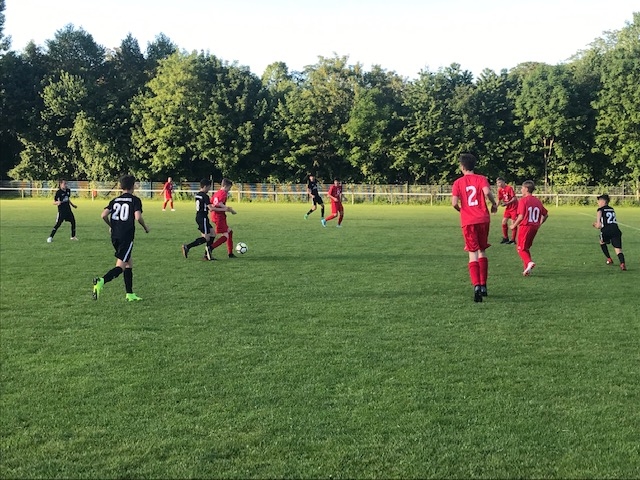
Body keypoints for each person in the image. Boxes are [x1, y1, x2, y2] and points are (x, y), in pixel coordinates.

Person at [92, 175, 150, 302]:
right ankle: (101, 281)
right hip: (126, 236)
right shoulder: (135, 200)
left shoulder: (115, 200)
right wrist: (145, 227)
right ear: (133, 186)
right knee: (121, 266)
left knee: (129, 262)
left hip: (115, 236)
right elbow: (138, 217)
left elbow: (103, 215)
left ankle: (130, 294)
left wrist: (111, 226)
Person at [451, 153, 498, 302]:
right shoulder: (481, 178)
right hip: (483, 218)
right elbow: (487, 192)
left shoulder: (458, 182)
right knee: (482, 250)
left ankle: (476, 285)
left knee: (472, 252)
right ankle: (484, 285)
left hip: (468, 220)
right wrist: (494, 204)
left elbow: (454, 203)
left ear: (462, 166)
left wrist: (462, 210)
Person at [510, 180, 548, 276]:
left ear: (526, 189)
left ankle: (529, 263)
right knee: (526, 248)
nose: (521, 190)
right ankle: (527, 270)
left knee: (520, 249)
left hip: (525, 226)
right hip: (534, 227)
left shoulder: (523, 200)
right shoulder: (537, 201)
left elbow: (521, 216)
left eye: (522, 188)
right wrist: (539, 223)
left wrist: (514, 225)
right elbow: (546, 214)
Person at [182, 179, 216, 261]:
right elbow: (211, 208)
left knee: (213, 233)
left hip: (199, 217)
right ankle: (187, 246)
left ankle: (207, 254)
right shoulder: (205, 196)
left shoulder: (197, 195)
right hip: (203, 217)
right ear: (205, 186)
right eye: (209, 187)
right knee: (206, 238)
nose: (209, 189)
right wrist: (222, 209)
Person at [593, 194, 626, 271]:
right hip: (616, 230)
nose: (598, 203)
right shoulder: (611, 209)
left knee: (602, 242)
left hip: (606, 230)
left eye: (599, 201)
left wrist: (594, 225)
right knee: (618, 249)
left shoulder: (600, 210)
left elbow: (599, 225)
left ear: (603, 201)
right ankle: (622, 263)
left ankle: (609, 259)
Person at [209, 178, 238, 258]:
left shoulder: (217, 193)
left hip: (216, 216)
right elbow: (218, 203)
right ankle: (210, 248)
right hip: (219, 217)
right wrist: (228, 209)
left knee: (229, 232)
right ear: (225, 186)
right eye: (229, 188)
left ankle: (230, 253)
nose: (229, 190)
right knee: (225, 236)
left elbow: (212, 202)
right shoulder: (223, 193)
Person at [496, 177, 518, 244]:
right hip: (508, 208)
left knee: (513, 223)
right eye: (497, 183)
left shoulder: (509, 188)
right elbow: (499, 199)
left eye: (499, 182)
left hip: (514, 208)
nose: (498, 184)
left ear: (503, 182)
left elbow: (514, 198)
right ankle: (505, 238)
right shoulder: (500, 190)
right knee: (504, 222)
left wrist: (507, 203)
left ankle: (513, 240)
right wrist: (495, 207)